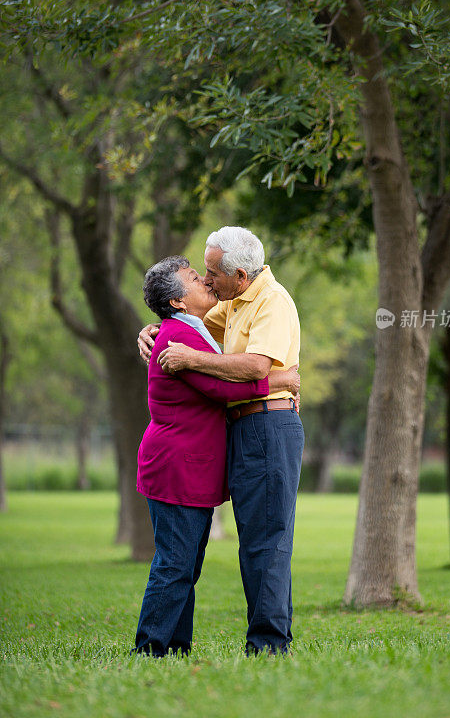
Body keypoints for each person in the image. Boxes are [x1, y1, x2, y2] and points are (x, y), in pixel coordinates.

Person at [138, 227, 304, 655]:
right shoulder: (230, 305)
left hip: (267, 426)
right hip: (236, 431)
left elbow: (249, 366)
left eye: (210, 273)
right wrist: (152, 331)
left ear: (241, 275)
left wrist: (189, 356)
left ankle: (268, 645)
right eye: (200, 274)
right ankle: (165, 646)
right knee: (245, 544)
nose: (207, 280)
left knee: (266, 541)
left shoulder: (271, 302)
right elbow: (183, 327)